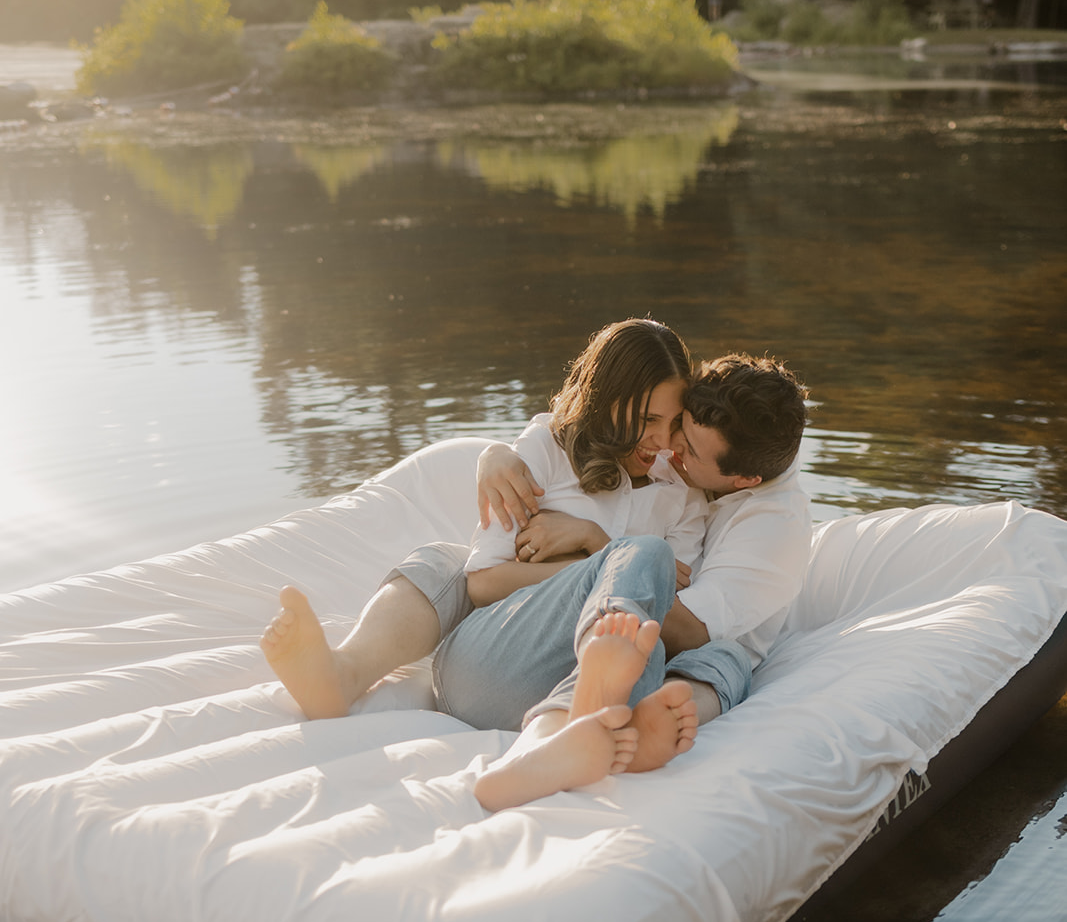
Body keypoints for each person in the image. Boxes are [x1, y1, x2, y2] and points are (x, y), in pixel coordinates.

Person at [260, 317, 706, 738]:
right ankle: (344, 673)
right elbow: (484, 584)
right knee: (447, 561)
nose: (663, 442)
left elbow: (665, 606)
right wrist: (596, 565)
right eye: (648, 420)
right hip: (491, 659)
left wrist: (593, 541)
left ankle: (573, 724)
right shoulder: (547, 450)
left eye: (673, 424)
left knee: (661, 581)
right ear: (607, 398)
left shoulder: (680, 495)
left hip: (586, 674)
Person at [472, 352, 812, 810]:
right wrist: (495, 455)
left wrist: (601, 543)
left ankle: (616, 729)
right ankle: (597, 723)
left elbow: (689, 630)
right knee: (634, 600)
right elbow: (584, 419)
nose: (670, 450)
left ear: (744, 479)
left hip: (690, 646)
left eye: (690, 450)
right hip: (618, 622)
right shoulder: (677, 457)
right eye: (679, 429)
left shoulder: (775, 529)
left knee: (727, 661)